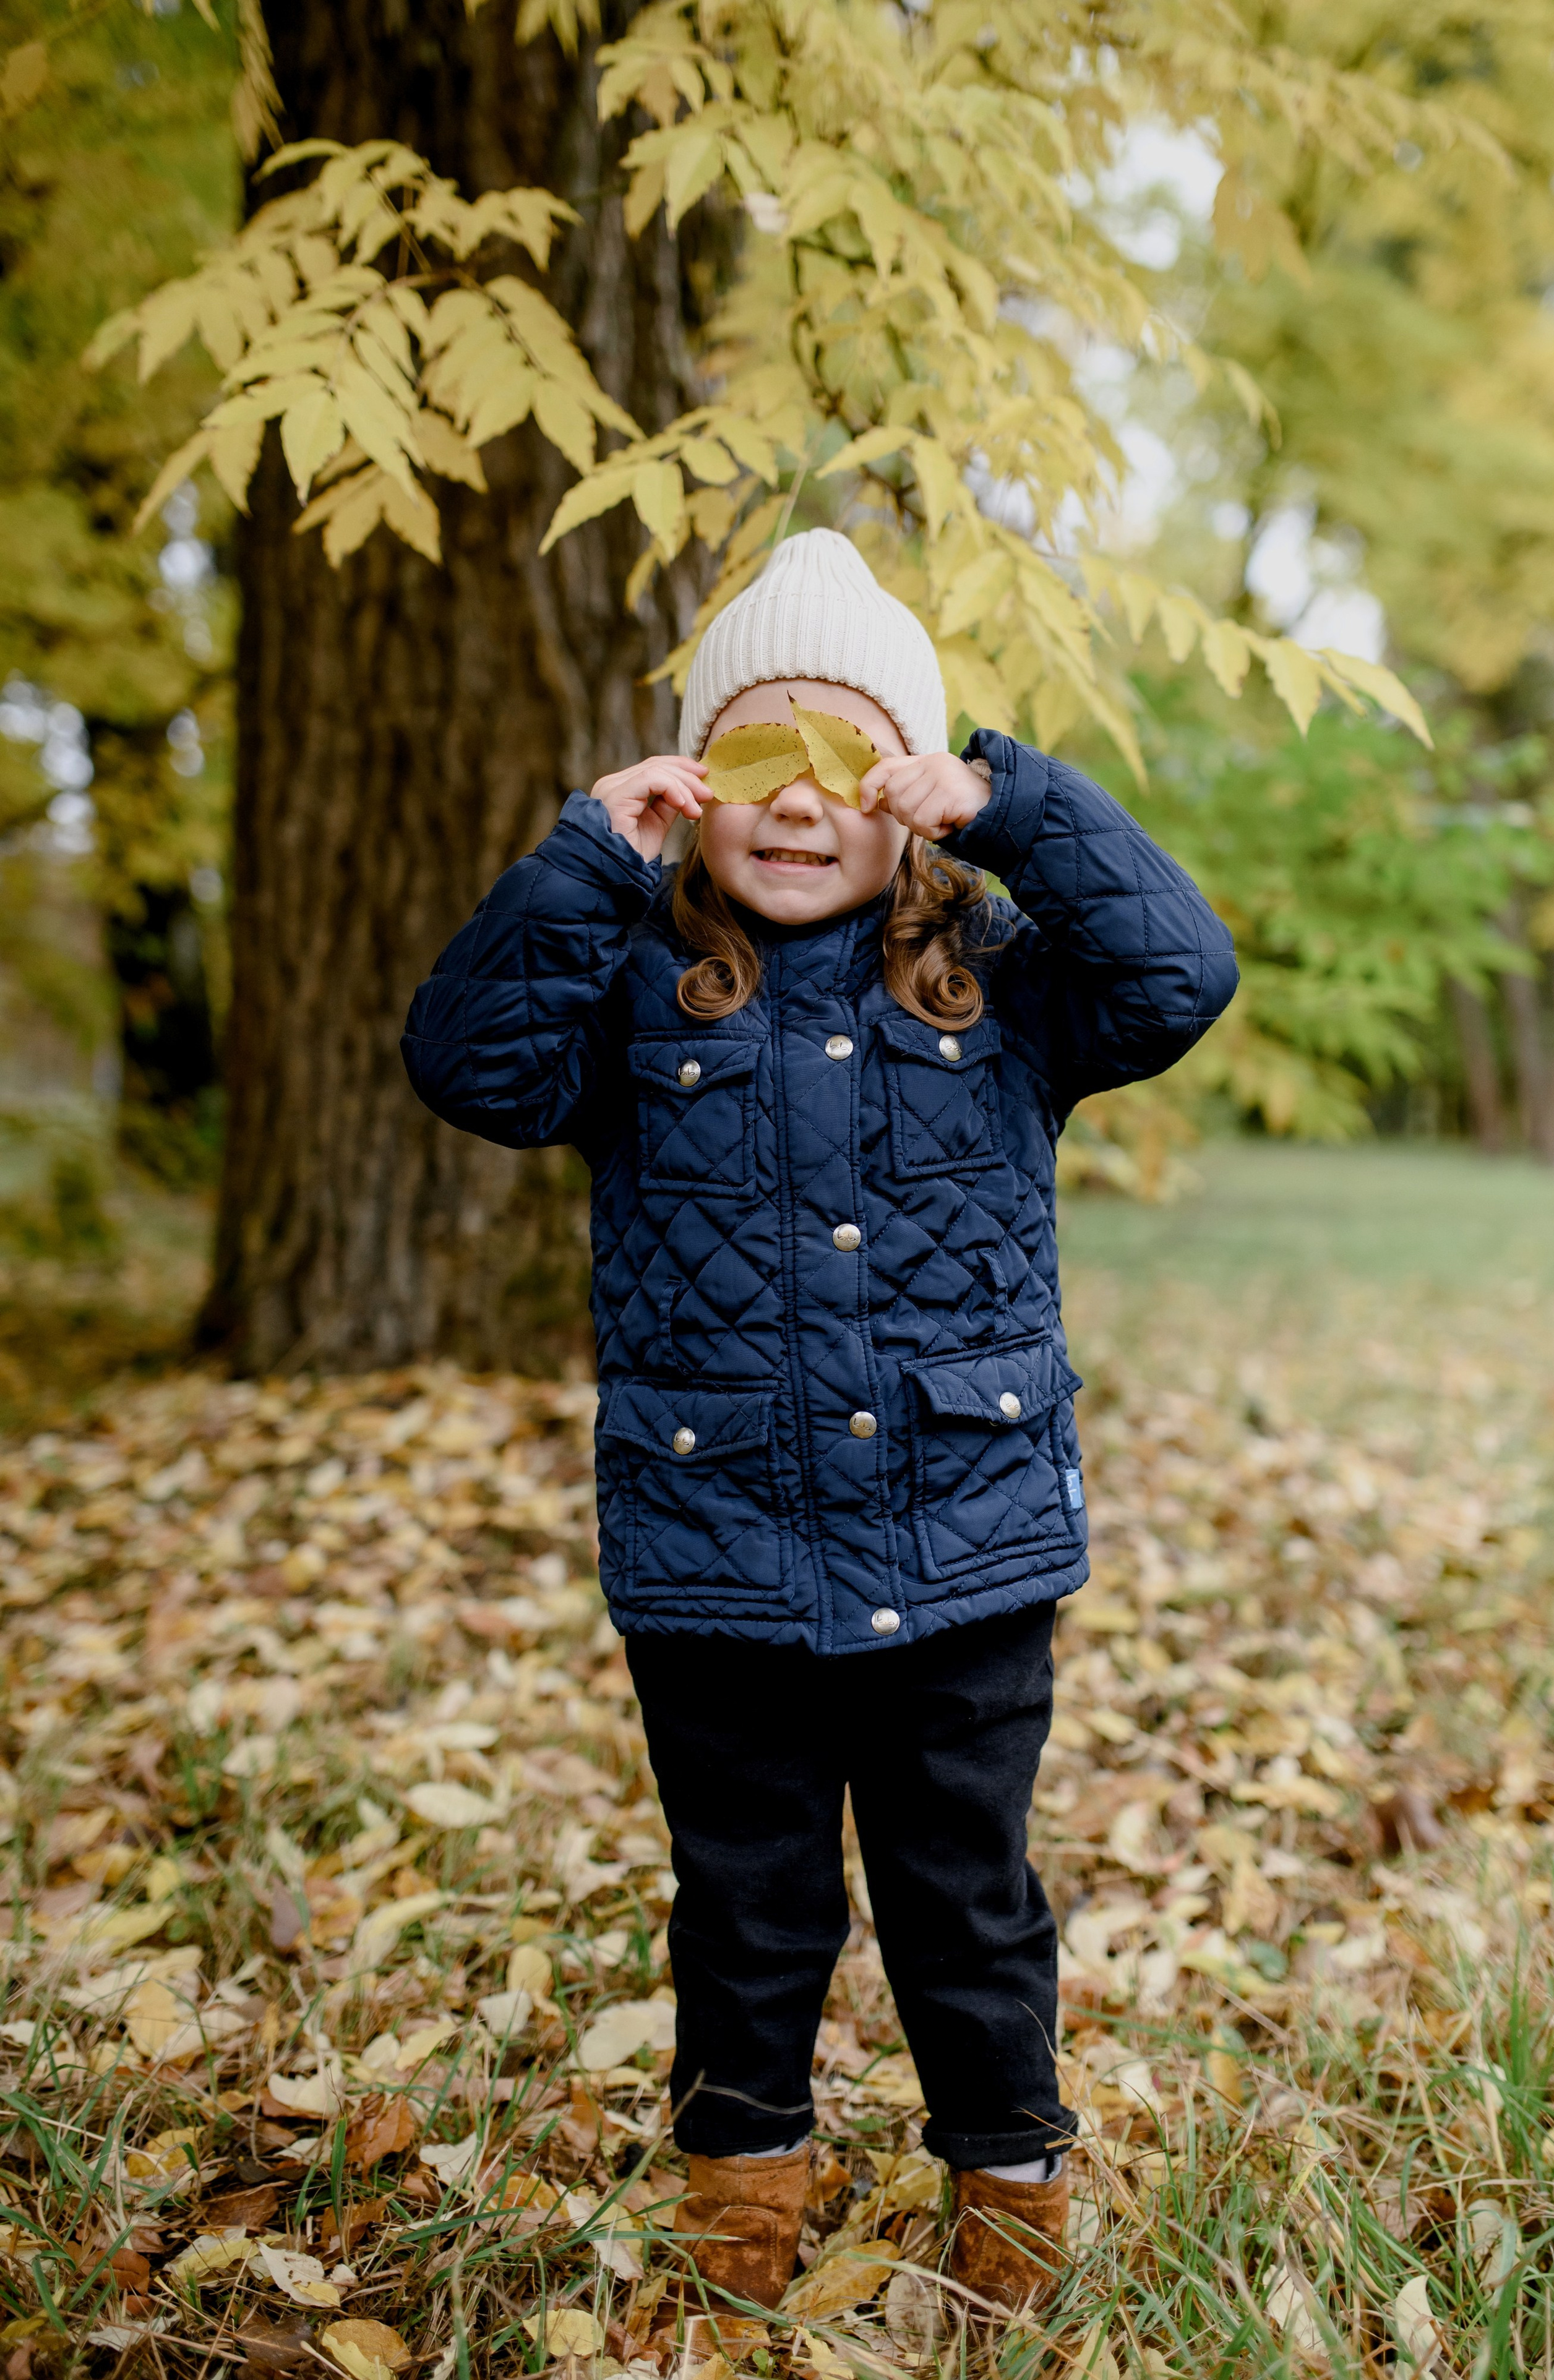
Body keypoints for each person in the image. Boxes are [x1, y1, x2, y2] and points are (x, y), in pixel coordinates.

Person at [401, 529, 1238, 2314]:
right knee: (749, 1903)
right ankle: (742, 2214)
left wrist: (1011, 802)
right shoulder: (633, 987)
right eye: (756, 760)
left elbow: (1184, 973)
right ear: (696, 787)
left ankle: (1010, 2206)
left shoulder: (1003, 985)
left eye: (851, 766)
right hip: (719, 1552)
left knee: (968, 1903)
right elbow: (467, 1064)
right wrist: (581, 861)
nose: (803, 806)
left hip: (968, 1546)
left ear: (911, 796)